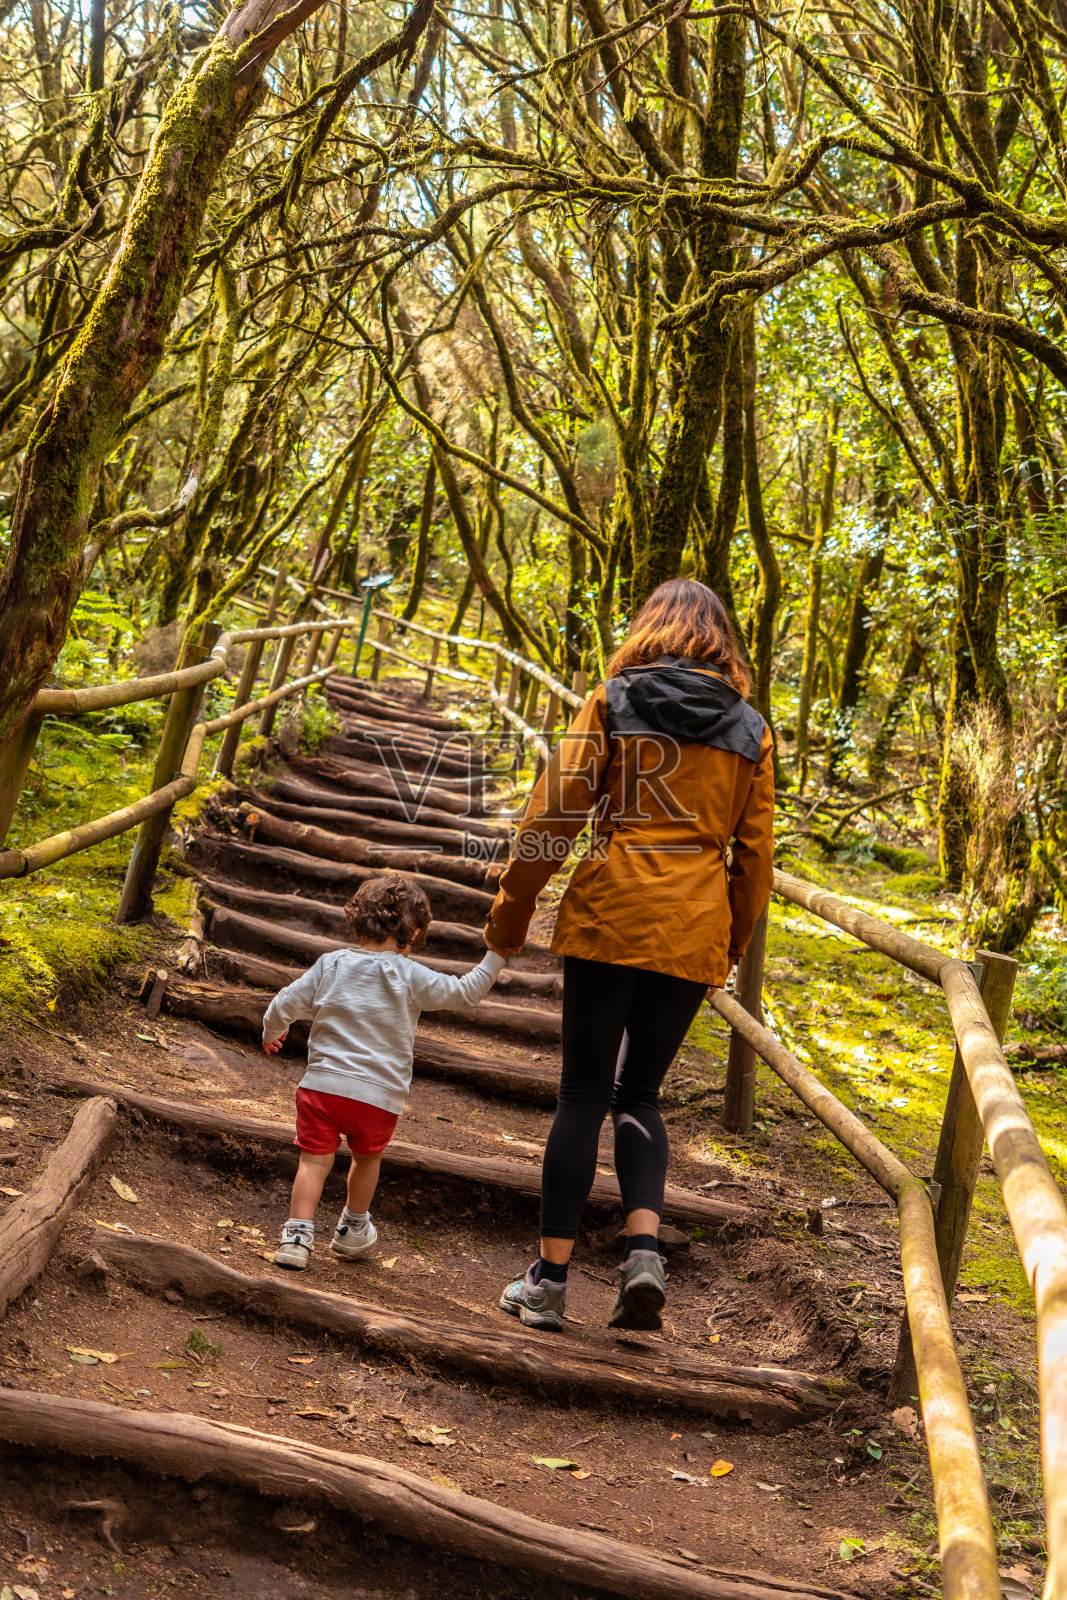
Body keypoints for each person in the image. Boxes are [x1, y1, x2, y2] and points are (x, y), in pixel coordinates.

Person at [485, 579, 774, 1333]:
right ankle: (642, 1252)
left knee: (583, 1093)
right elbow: (754, 854)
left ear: (649, 630)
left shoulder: (613, 700)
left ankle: (549, 1282)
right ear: (721, 644)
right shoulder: (750, 729)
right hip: (692, 925)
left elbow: (558, 807)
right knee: (638, 1096)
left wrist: (510, 911)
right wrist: (729, 945)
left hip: (611, 911)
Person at [262, 873, 506, 1270]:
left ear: (357, 920)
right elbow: (466, 992)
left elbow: (284, 1003)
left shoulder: (331, 964)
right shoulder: (407, 974)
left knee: (313, 1163)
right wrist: (497, 953)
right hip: (378, 1098)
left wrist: (273, 1031)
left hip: (322, 1088)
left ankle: (296, 1236)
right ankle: (352, 1229)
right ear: (414, 933)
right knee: (366, 1158)